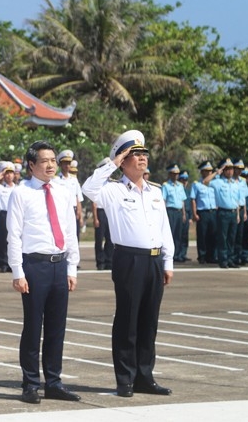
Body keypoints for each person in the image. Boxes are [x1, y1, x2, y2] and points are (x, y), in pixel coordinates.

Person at [82, 130, 174, 398]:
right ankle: (125, 379)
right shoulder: (112, 190)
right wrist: (113, 162)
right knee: (128, 320)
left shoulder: (155, 191)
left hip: (154, 260)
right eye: (135, 154)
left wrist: (168, 261)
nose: (142, 158)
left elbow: (163, 227)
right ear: (123, 160)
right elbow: (88, 188)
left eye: (144, 153)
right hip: (128, 260)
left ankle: (145, 377)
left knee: (149, 321)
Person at [7, 141, 80, 404]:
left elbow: (70, 230)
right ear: (31, 165)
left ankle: (54, 382)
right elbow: (14, 234)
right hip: (34, 266)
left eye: (53, 160)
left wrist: (72, 267)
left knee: (56, 328)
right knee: (33, 327)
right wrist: (18, 271)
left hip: (59, 264)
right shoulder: (21, 193)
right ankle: (30, 384)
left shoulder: (62, 191)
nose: (51, 165)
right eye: (45, 160)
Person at [203, 158, 241, 269]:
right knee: (223, 238)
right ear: (224, 170)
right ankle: (223, 260)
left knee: (231, 238)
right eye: (227, 169)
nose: (230, 171)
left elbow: (237, 200)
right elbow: (205, 181)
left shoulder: (235, 183)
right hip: (223, 213)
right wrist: (217, 172)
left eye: (231, 169)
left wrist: (238, 214)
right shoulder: (218, 182)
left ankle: (230, 259)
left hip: (233, 212)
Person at [190, 161, 217, 264]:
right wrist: (194, 213)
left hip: (213, 211)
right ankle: (202, 256)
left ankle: (211, 256)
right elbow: (193, 199)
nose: (209, 173)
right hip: (203, 212)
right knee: (202, 235)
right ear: (202, 172)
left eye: (210, 171)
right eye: (207, 171)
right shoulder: (197, 184)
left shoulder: (214, 183)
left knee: (212, 235)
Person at [161, 164, 187, 263]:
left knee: (178, 234)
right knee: (170, 234)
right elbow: (163, 200)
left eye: (177, 174)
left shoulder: (180, 186)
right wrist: (164, 214)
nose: (176, 176)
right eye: (174, 174)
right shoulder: (166, 185)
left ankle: (178, 254)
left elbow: (183, 201)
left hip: (179, 211)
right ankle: (169, 254)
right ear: (170, 174)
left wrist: (184, 213)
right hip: (170, 211)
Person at [92, 158, 115, 270]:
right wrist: (95, 217)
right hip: (100, 212)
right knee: (99, 239)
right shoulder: (97, 183)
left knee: (110, 239)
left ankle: (109, 261)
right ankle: (100, 262)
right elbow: (94, 202)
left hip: (110, 212)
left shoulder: (112, 183)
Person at [178, 170, 192, 262]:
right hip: (179, 213)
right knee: (177, 234)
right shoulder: (178, 189)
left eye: (186, 179)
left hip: (186, 214)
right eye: (182, 179)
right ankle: (177, 254)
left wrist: (190, 217)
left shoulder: (188, 191)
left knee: (185, 235)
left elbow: (189, 204)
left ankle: (183, 253)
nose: (184, 181)